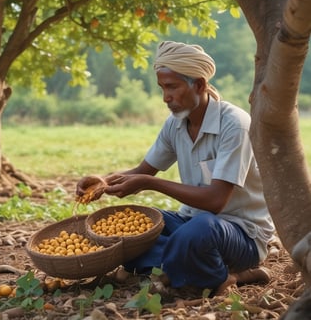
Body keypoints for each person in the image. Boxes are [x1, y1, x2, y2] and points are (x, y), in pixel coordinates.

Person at [76, 41, 274, 295]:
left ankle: (234, 274)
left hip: (240, 234)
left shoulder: (234, 125)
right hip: (191, 222)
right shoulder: (176, 124)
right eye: (162, 88)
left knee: (197, 233)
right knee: (133, 229)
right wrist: (101, 183)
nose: (165, 97)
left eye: (172, 87)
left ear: (199, 85)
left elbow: (215, 202)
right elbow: (143, 171)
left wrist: (151, 184)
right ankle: (190, 266)